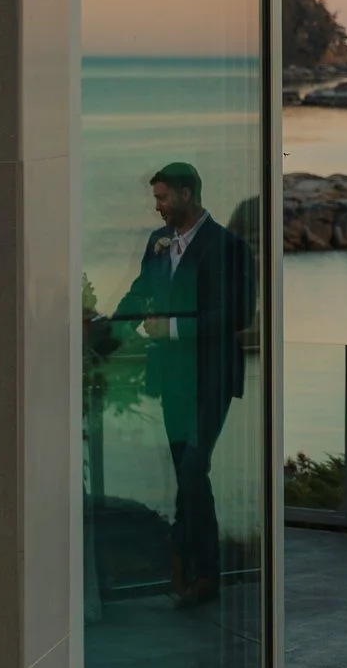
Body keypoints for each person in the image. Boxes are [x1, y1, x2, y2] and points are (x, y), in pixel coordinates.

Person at [110, 162, 257, 608]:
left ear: (188, 195)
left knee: (193, 469)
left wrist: (170, 331)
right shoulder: (158, 246)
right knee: (189, 475)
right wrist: (101, 335)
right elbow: (140, 294)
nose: (157, 207)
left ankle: (194, 565)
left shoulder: (229, 248)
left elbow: (238, 315)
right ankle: (199, 572)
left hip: (212, 376)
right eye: (156, 198)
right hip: (172, 379)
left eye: (163, 198)